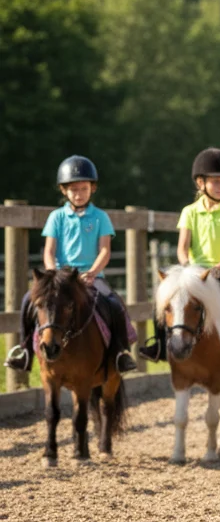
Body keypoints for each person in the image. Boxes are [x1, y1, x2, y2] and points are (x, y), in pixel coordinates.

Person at [4, 156, 136, 375]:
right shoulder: (56, 217)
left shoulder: (100, 217)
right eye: (73, 189)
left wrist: (92, 272)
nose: (79, 193)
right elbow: (49, 251)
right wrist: (53, 274)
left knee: (114, 303)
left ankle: (121, 352)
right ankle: (25, 350)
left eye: (83, 188)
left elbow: (105, 250)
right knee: (28, 300)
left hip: (90, 276)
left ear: (92, 188)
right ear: (64, 191)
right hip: (60, 277)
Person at [140, 148, 220, 371]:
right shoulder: (189, 212)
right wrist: (187, 268)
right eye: (216, 182)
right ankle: (160, 345)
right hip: (195, 274)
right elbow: (182, 248)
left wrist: (219, 268)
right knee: (164, 300)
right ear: (201, 183)